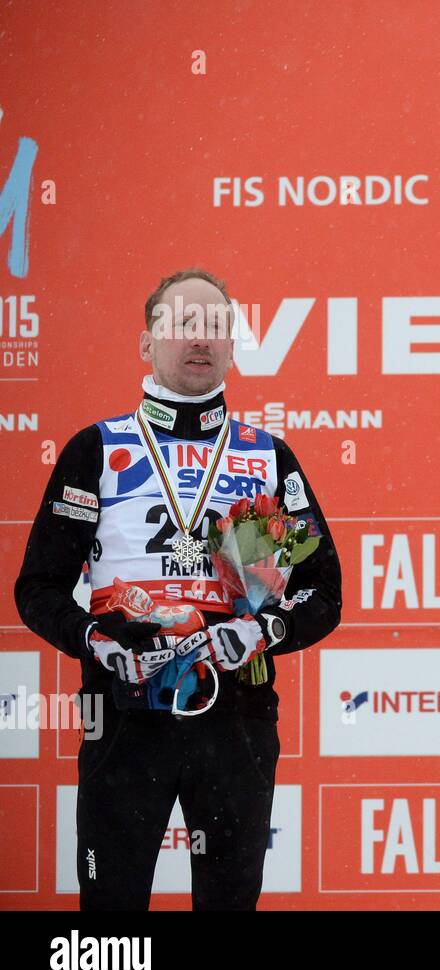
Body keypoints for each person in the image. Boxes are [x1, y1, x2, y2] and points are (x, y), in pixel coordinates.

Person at [14, 269, 342, 910]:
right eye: (182, 323)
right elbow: (40, 588)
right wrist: (99, 643)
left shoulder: (261, 456)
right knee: (110, 918)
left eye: (216, 325)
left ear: (233, 344)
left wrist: (260, 629)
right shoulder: (98, 449)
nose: (201, 338)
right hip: (123, 710)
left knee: (228, 901)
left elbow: (320, 591)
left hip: (236, 715)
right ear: (146, 344)